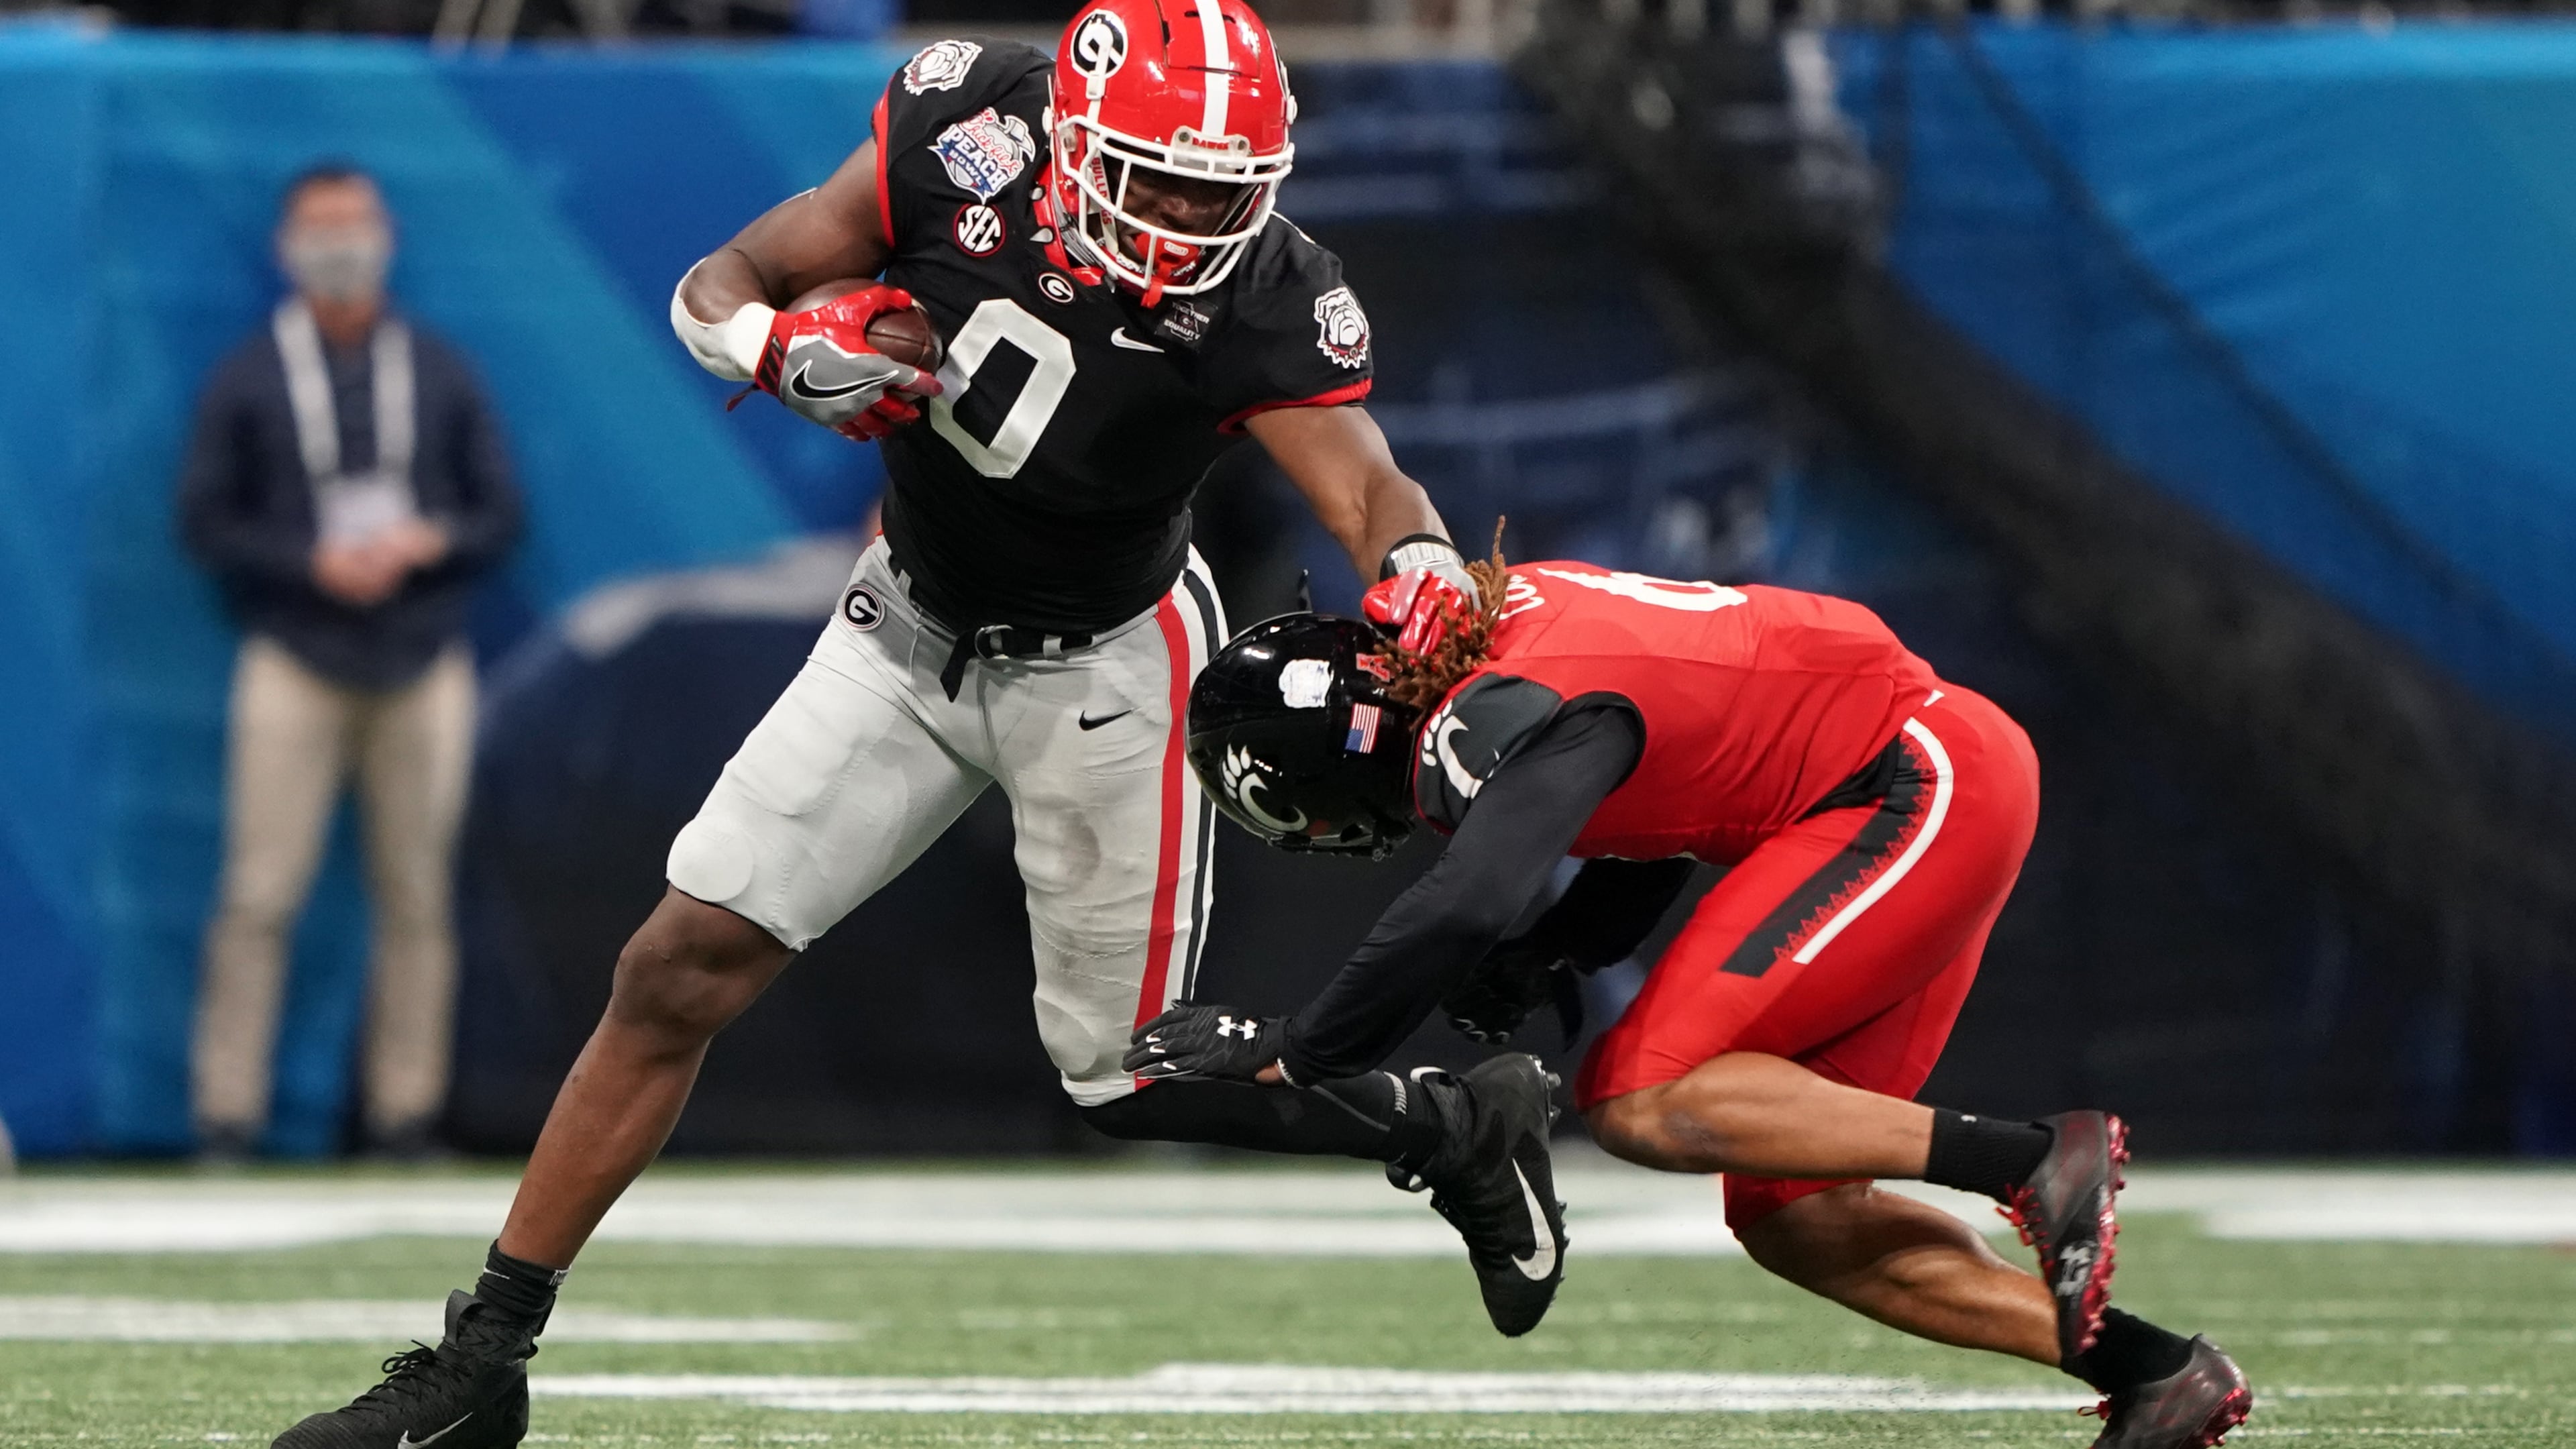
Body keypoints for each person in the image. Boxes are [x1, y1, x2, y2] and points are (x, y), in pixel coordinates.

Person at [272, 8, 1565, 1446]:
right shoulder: (963, 130)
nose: (1199, 215)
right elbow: (725, 281)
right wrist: (775, 352)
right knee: (674, 967)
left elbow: (1365, 482)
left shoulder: (1266, 292)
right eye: (1168, 177)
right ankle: (480, 1364)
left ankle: (1452, 1129)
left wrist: (1426, 565)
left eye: (1227, 185)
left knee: (1124, 1076)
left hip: (1108, 664)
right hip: (907, 625)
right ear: (1074, 139)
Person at [1133, 547, 2256, 1449]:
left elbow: (1465, 904)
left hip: (1910, 782)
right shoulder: (1516, 628)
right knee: (1795, 1216)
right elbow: (1672, 803)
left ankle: (2025, 1159)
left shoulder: (1496, 707)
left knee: (1638, 1093)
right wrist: (1553, 956)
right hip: (1921, 777)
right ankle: (2155, 1374)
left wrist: (1299, 1050)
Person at [179, 162, 522, 1164]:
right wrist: (306, 560)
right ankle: (226, 1115)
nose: (340, 249)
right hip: (294, 652)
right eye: (319, 231)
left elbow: (500, 513)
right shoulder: (249, 374)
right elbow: (204, 519)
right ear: (288, 249)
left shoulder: (439, 368)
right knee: (258, 893)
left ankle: (404, 1113)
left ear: (387, 238)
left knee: (416, 893)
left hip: (420, 655)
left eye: (355, 227)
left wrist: (429, 542)